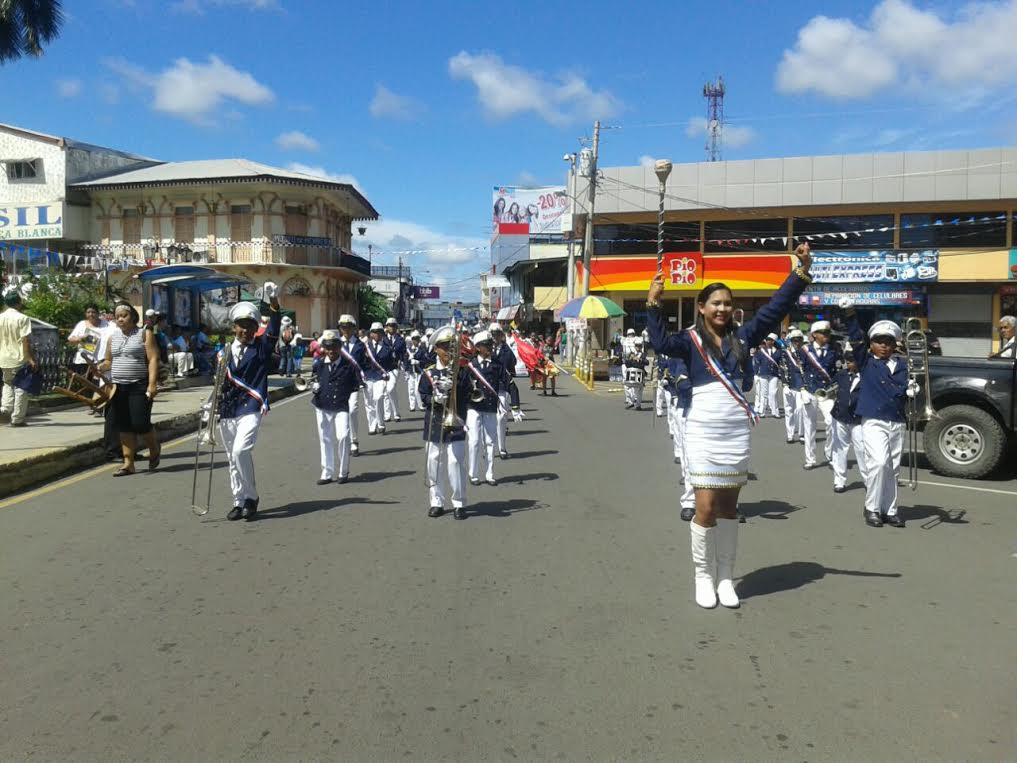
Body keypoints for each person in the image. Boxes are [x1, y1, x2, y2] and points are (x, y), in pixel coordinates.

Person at [646, 243, 813, 609]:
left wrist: (800, 272)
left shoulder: (744, 337)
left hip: (735, 431)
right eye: (715, 303)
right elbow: (659, 342)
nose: (722, 308)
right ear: (701, 308)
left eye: (727, 303)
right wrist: (653, 303)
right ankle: (703, 577)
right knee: (704, 506)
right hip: (703, 430)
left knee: (729, 508)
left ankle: (725, 578)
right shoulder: (689, 341)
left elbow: (775, 309)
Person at [216, 283, 282, 521]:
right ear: (234, 327)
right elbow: (220, 383)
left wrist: (274, 303)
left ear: (256, 328)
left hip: (251, 407)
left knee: (241, 450)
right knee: (232, 457)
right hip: (228, 409)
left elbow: (273, 329)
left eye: (250, 326)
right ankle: (238, 500)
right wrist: (210, 406)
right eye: (242, 326)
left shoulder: (262, 348)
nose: (246, 330)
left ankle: (251, 498)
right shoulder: (223, 352)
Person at [843, 311, 915, 528]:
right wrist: (850, 316)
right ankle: (872, 507)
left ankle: (890, 509)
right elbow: (856, 338)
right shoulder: (866, 362)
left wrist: (911, 389)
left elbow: (902, 388)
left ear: (895, 344)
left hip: (896, 419)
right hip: (874, 419)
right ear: (871, 344)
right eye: (878, 341)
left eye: (888, 342)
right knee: (878, 463)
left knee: (892, 468)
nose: (883, 346)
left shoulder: (902, 364)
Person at [419, 325, 474, 520]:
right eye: (444, 347)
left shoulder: (463, 371)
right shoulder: (429, 372)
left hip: (456, 421)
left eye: (452, 346)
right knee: (434, 462)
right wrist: (436, 398)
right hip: (435, 421)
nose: (448, 351)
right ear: (436, 349)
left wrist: (456, 386)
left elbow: (470, 395)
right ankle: (437, 502)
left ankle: (459, 502)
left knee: (455, 462)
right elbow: (423, 397)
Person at [103, 303, 161, 475]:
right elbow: (108, 361)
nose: (120, 319)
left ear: (133, 317)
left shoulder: (144, 334)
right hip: (119, 386)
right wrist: (100, 367)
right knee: (124, 425)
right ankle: (128, 463)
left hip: (139, 384)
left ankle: (154, 447)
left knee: (140, 423)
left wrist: (152, 384)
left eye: (124, 315)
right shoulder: (112, 338)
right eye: (117, 316)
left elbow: (153, 359)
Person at [465, 330, 523, 486]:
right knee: (475, 441)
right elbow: (461, 388)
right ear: (477, 347)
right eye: (486, 345)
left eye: (491, 344)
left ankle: (490, 473)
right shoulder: (470, 365)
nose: (490, 347)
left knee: (490, 442)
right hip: (473, 407)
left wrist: (515, 406)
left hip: (490, 407)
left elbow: (510, 384)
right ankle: (473, 472)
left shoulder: (497, 365)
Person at [310, 330, 358, 485]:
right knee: (325, 438)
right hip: (322, 405)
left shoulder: (348, 366)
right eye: (328, 347)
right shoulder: (318, 364)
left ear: (340, 347)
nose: (331, 350)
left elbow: (353, 386)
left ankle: (343, 471)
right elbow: (314, 380)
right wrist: (314, 386)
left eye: (335, 346)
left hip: (340, 405)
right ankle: (327, 472)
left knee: (343, 436)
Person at [799, 320, 840, 470]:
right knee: (809, 426)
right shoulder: (805, 351)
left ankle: (829, 453)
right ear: (814, 335)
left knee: (831, 423)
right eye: (823, 333)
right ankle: (810, 458)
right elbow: (799, 370)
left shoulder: (834, 350)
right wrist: (802, 389)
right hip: (809, 391)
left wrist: (836, 389)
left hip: (827, 392)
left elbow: (837, 372)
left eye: (828, 333)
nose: (826, 336)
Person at [829, 356, 868, 495]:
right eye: (848, 361)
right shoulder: (841, 375)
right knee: (840, 449)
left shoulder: (866, 376)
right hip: (840, 416)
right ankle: (839, 481)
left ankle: (868, 481)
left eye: (852, 361)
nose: (850, 364)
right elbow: (830, 387)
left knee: (862, 450)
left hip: (858, 419)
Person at [0, 289, 36, 427]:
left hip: (3, 358)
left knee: (8, 383)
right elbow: (25, 340)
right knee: (21, 387)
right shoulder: (23, 318)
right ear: (18, 303)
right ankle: (17, 419)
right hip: (19, 358)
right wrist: (31, 358)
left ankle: (5, 408)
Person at [67, 303, 110, 415]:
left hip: (100, 359)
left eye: (93, 312)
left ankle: (100, 405)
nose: (91, 314)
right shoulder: (82, 325)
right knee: (87, 384)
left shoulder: (106, 324)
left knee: (99, 383)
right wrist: (80, 338)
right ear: (85, 314)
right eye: (88, 312)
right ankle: (92, 405)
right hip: (84, 359)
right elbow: (70, 339)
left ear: (98, 313)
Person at [337, 315, 367, 456]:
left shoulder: (360, 345)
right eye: (343, 327)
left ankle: (354, 440)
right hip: (340, 382)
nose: (346, 330)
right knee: (342, 412)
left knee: (353, 409)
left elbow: (364, 364)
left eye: (348, 327)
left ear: (353, 328)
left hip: (354, 382)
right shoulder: (336, 344)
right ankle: (345, 439)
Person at [489, 323, 518, 458]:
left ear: (501, 336)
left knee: (501, 418)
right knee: (488, 419)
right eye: (493, 334)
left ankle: (502, 447)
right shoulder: (485, 349)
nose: (495, 337)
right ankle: (488, 447)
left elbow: (513, 363)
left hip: (501, 386)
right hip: (488, 387)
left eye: (497, 334)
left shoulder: (506, 350)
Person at [362, 321, 391, 435]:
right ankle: (372, 425)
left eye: (379, 332)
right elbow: (361, 362)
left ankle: (381, 423)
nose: (377, 334)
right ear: (371, 334)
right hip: (368, 376)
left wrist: (386, 372)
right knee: (368, 402)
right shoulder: (365, 346)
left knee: (378, 398)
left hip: (380, 377)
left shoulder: (387, 347)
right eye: (374, 332)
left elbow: (389, 362)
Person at [781, 330, 806, 444]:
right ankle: (790, 434)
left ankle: (801, 433)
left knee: (800, 410)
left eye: (799, 340)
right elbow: (782, 368)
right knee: (789, 410)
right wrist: (784, 384)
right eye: (794, 340)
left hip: (802, 386)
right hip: (790, 384)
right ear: (791, 341)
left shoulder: (806, 353)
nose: (797, 342)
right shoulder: (786, 353)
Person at [382, 317, 405, 422]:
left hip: (394, 366)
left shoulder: (400, 339)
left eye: (394, 326)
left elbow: (403, 353)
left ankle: (396, 412)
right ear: (386, 327)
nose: (392, 328)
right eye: (390, 325)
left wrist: (404, 363)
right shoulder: (383, 339)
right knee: (386, 391)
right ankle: (388, 414)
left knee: (390, 388)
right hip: (383, 367)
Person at [753, 333, 782, 417]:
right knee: (763, 393)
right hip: (763, 373)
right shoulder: (760, 351)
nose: (769, 341)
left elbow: (780, 363)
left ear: (774, 341)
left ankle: (775, 412)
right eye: (768, 340)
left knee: (773, 393)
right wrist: (756, 374)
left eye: (771, 340)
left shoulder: (778, 351)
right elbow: (757, 363)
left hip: (774, 374)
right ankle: (762, 411)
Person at [405, 330, 427, 412]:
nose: (415, 341)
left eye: (417, 339)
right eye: (413, 339)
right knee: (410, 389)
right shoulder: (409, 350)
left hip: (419, 371)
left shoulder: (422, 350)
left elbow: (425, 361)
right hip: (411, 372)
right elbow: (406, 361)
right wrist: (406, 371)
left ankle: (420, 405)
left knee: (417, 389)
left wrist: (418, 362)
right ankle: (412, 406)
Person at [623, 337, 648, 409]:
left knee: (639, 390)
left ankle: (638, 405)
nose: (638, 347)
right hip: (632, 374)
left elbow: (647, 362)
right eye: (637, 345)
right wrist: (630, 359)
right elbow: (627, 364)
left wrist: (639, 360)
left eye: (639, 345)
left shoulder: (643, 355)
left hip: (640, 374)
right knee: (627, 386)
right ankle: (631, 402)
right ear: (635, 346)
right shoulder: (631, 354)